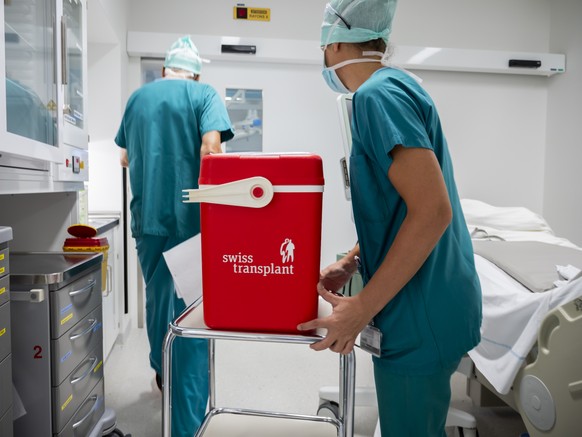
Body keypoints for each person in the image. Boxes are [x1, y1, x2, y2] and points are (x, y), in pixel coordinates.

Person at [297, 1, 482, 436]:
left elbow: (433, 211)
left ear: (336, 40)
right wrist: (355, 261)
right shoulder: (392, 88)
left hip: (421, 314)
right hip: (426, 304)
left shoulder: (377, 96)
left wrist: (362, 306)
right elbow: (399, 207)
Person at [115, 36, 234, 437]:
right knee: (192, 318)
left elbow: (125, 156)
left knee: (157, 300)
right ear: (196, 72)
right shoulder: (203, 94)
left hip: (148, 221)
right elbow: (212, 150)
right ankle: (186, 424)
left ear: (166, 69)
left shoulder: (136, 100)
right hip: (189, 224)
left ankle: (160, 370)